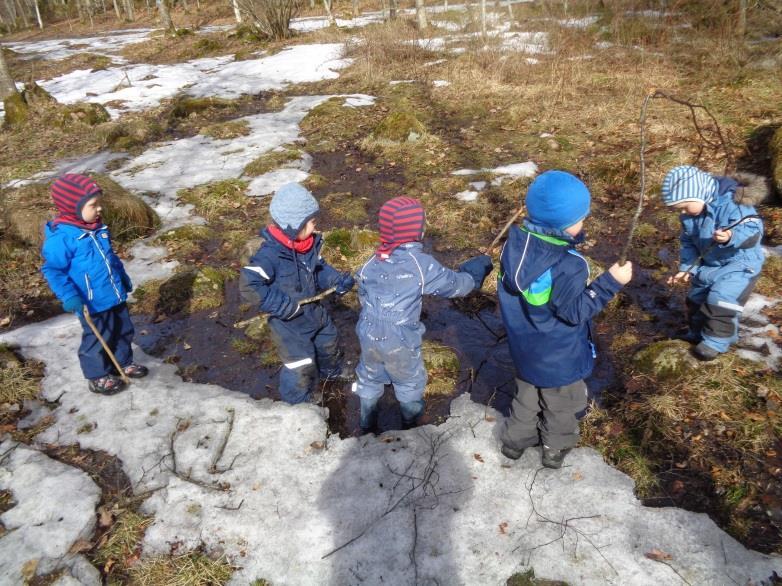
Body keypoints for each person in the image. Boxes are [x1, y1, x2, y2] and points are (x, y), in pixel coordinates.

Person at [497, 170, 632, 468]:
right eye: (581, 218)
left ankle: (514, 443)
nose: (584, 222)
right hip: (559, 355)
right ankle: (555, 448)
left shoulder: (514, 247)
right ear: (566, 225)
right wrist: (610, 281)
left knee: (526, 396)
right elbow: (574, 313)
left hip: (524, 348)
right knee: (562, 402)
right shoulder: (570, 265)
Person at [352, 196, 493, 433]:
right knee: (409, 380)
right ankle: (411, 426)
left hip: (367, 332)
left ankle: (367, 424)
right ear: (414, 230)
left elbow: (363, 291)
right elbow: (456, 285)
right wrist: (476, 272)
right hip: (401, 339)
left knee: (369, 377)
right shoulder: (420, 263)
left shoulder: (371, 261)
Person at [239, 183, 355, 405]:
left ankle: (332, 371)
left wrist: (336, 281)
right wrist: (282, 305)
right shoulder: (270, 255)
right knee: (299, 365)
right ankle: (299, 402)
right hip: (289, 325)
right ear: (293, 225)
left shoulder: (307, 246)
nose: (315, 226)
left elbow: (319, 269)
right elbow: (249, 285)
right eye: (311, 222)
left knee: (329, 343)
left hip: (316, 313)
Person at [41, 174, 147, 395]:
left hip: (114, 294)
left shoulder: (98, 229)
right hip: (91, 302)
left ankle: (123, 362)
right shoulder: (62, 239)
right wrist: (69, 297)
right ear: (72, 207)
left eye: (99, 204)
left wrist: (122, 276)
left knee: (123, 330)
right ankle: (97, 375)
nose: (99, 209)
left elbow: (111, 258)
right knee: (97, 339)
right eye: (93, 205)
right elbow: (53, 270)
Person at [662, 165, 767, 361]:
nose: (684, 211)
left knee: (721, 299)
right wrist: (687, 268)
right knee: (696, 298)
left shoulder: (733, 204)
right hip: (710, 265)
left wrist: (730, 235)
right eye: (680, 209)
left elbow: (754, 230)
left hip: (740, 264)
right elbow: (688, 243)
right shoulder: (690, 216)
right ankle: (698, 333)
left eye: (685, 205)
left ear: (699, 194)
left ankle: (716, 342)